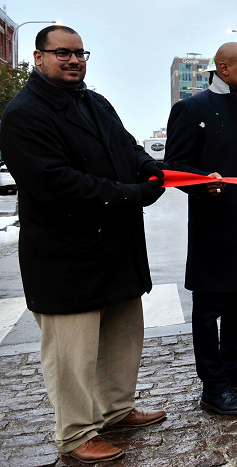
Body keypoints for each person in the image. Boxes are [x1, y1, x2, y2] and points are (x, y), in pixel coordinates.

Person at [0, 25, 167, 462]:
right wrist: (132, 194)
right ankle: (75, 434)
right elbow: (57, 183)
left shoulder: (96, 102)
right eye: (62, 53)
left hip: (115, 247)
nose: (74, 60)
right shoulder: (24, 113)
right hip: (65, 255)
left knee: (122, 337)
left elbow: (127, 148)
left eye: (80, 53)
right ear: (38, 58)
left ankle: (116, 409)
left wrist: (150, 169)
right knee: (71, 354)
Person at [166, 42, 237, 416]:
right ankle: (213, 387)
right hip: (214, 227)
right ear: (223, 67)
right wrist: (201, 181)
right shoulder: (191, 109)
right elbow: (175, 168)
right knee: (208, 308)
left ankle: (236, 371)